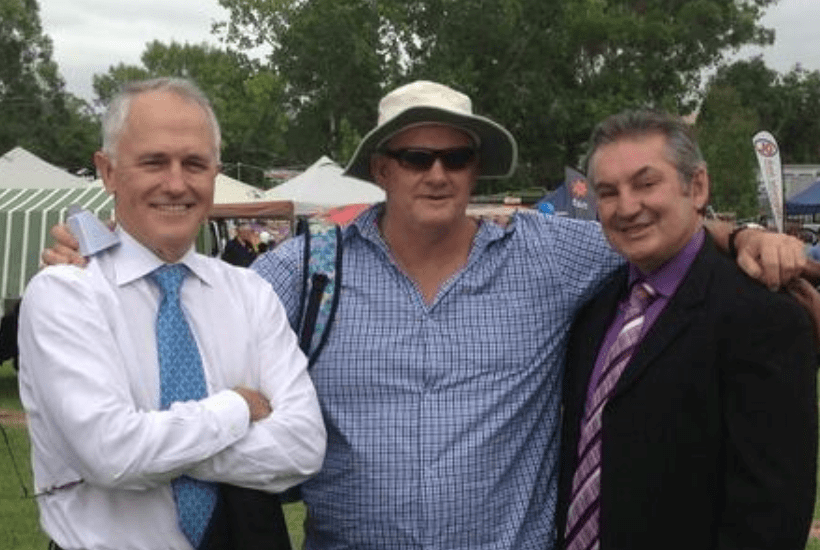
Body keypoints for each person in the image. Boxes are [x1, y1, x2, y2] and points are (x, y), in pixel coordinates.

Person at [43, 81, 806, 550]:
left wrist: (742, 234)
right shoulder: (302, 270)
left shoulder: (547, 255)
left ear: (477, 169)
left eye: (456, 157)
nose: (437, 173)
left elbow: (644, 225)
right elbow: (183, 283)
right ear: (381, 169)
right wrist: (101, 249)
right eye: (414, 158)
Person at [18, 78, 326, 550]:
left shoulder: (250, 293)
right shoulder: (66, 293)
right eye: (154, 162)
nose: (177, 183)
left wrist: (153, 449)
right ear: (108, 172)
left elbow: (303, 447)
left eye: (195, 164)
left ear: (214, 174)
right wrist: (236, 408)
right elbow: (112, 455)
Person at [556, 110, 817, 550]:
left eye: (645, 184)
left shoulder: (763, 319)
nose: (627, 207)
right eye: (608, 192)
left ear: (697, 187)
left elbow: (770, 516)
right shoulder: (593, 307)